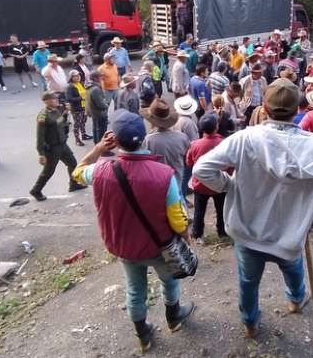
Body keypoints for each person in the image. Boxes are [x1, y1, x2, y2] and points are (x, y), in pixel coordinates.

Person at [193, 78, 313, 338]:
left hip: (247, 232)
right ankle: (297, 300)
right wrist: (310, 223)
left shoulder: (244, 139)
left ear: (264, 108)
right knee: (293, 269)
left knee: (248, 281)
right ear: (299, 109)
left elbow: (201, 168)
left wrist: (228, 186)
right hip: (290, 238)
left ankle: (250, 323)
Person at [72, 110, 194, 353]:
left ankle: (143, 336)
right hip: (159, 245)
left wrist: (98, 149)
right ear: (144, 136)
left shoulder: (100, 171)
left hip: (124, 247)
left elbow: (77, 173)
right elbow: (178, 220)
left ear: (114, 141)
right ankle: (173, 318)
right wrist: (185, 236)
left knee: (135, 290)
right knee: (169, 282)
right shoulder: (164, 175)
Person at [30, 92, 86, 201]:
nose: (57, 100)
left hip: (62, 144)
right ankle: (36, 190)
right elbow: (40, 137)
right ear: (46, 101)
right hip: (52, 148)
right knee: (49, 171)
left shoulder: (57, 110)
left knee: (73, 163)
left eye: (56, 98)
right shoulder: (44, 116)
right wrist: (41, 154)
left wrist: (66, 113)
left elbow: (60, 122)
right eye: (54, 99)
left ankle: (73, 184)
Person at [186, 114, 228, 242]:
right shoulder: (223, 143)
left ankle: (197, 234)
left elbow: (189, 162)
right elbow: (229, 164)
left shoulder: (195, 144)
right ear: (216, 127)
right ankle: (222, 232)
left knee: (199, 211)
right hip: (219, 183)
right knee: (221, 210)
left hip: (200, 184)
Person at [142, 98, 190, 195]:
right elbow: (186, 159)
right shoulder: (182, 137)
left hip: (157, 185)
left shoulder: (149, 140)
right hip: (177, 183)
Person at [65, 70, 91, 146]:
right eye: (75, 76)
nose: (78, 77)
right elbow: (69, 99)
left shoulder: (80, 84)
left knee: (83, 122)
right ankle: (77, 140)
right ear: (71, 77)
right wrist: (81, 98)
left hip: (83, 107)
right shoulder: (70, 87)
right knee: (77, 124)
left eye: (78, 75)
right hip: (76, 109)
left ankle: (84, 135)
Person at [86, 71, 109, 144]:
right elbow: (100, 103)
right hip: (99, 113)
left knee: (96, 129)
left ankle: (97, 144)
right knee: (101, 131)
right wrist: (106, 105)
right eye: (99, 76)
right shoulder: (96, 89)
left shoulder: (90, 86)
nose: (101, 78)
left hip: (94, 112)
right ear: (95, 78)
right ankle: (102, 149)